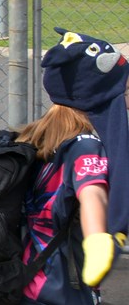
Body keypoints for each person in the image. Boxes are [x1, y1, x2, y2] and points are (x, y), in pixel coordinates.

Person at [18, 28, 126, 304]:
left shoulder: (37, 135)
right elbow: (92, 195)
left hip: (25, 278)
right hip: (60, 287)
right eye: (124, 90)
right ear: (100, 95)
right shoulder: (86, 146)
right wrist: (98, 241)